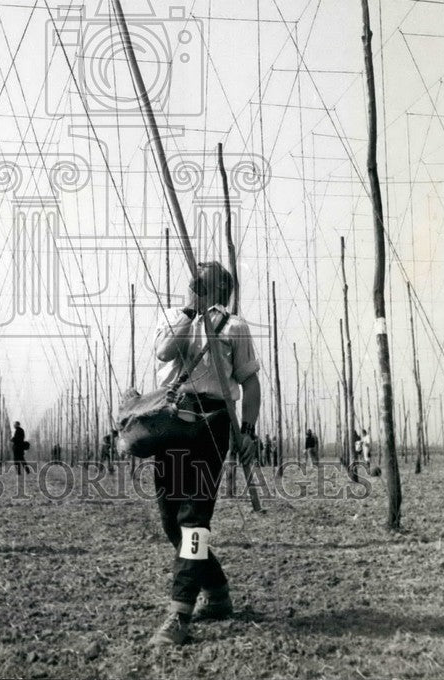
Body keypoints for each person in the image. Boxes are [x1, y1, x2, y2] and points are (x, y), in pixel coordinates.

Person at [149, 260, 260, 647]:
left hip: (210, 423)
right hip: (170, 421)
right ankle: (218, 593)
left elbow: (250, 382)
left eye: (200, 282)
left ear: (218, 289)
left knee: (194, 519)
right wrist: (189, 314)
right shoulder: (175, 318)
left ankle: (179, 614)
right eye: (192, 281)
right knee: (171, 522)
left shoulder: (234, 327)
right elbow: (165, 353)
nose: (192, 285)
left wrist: (247, 431)